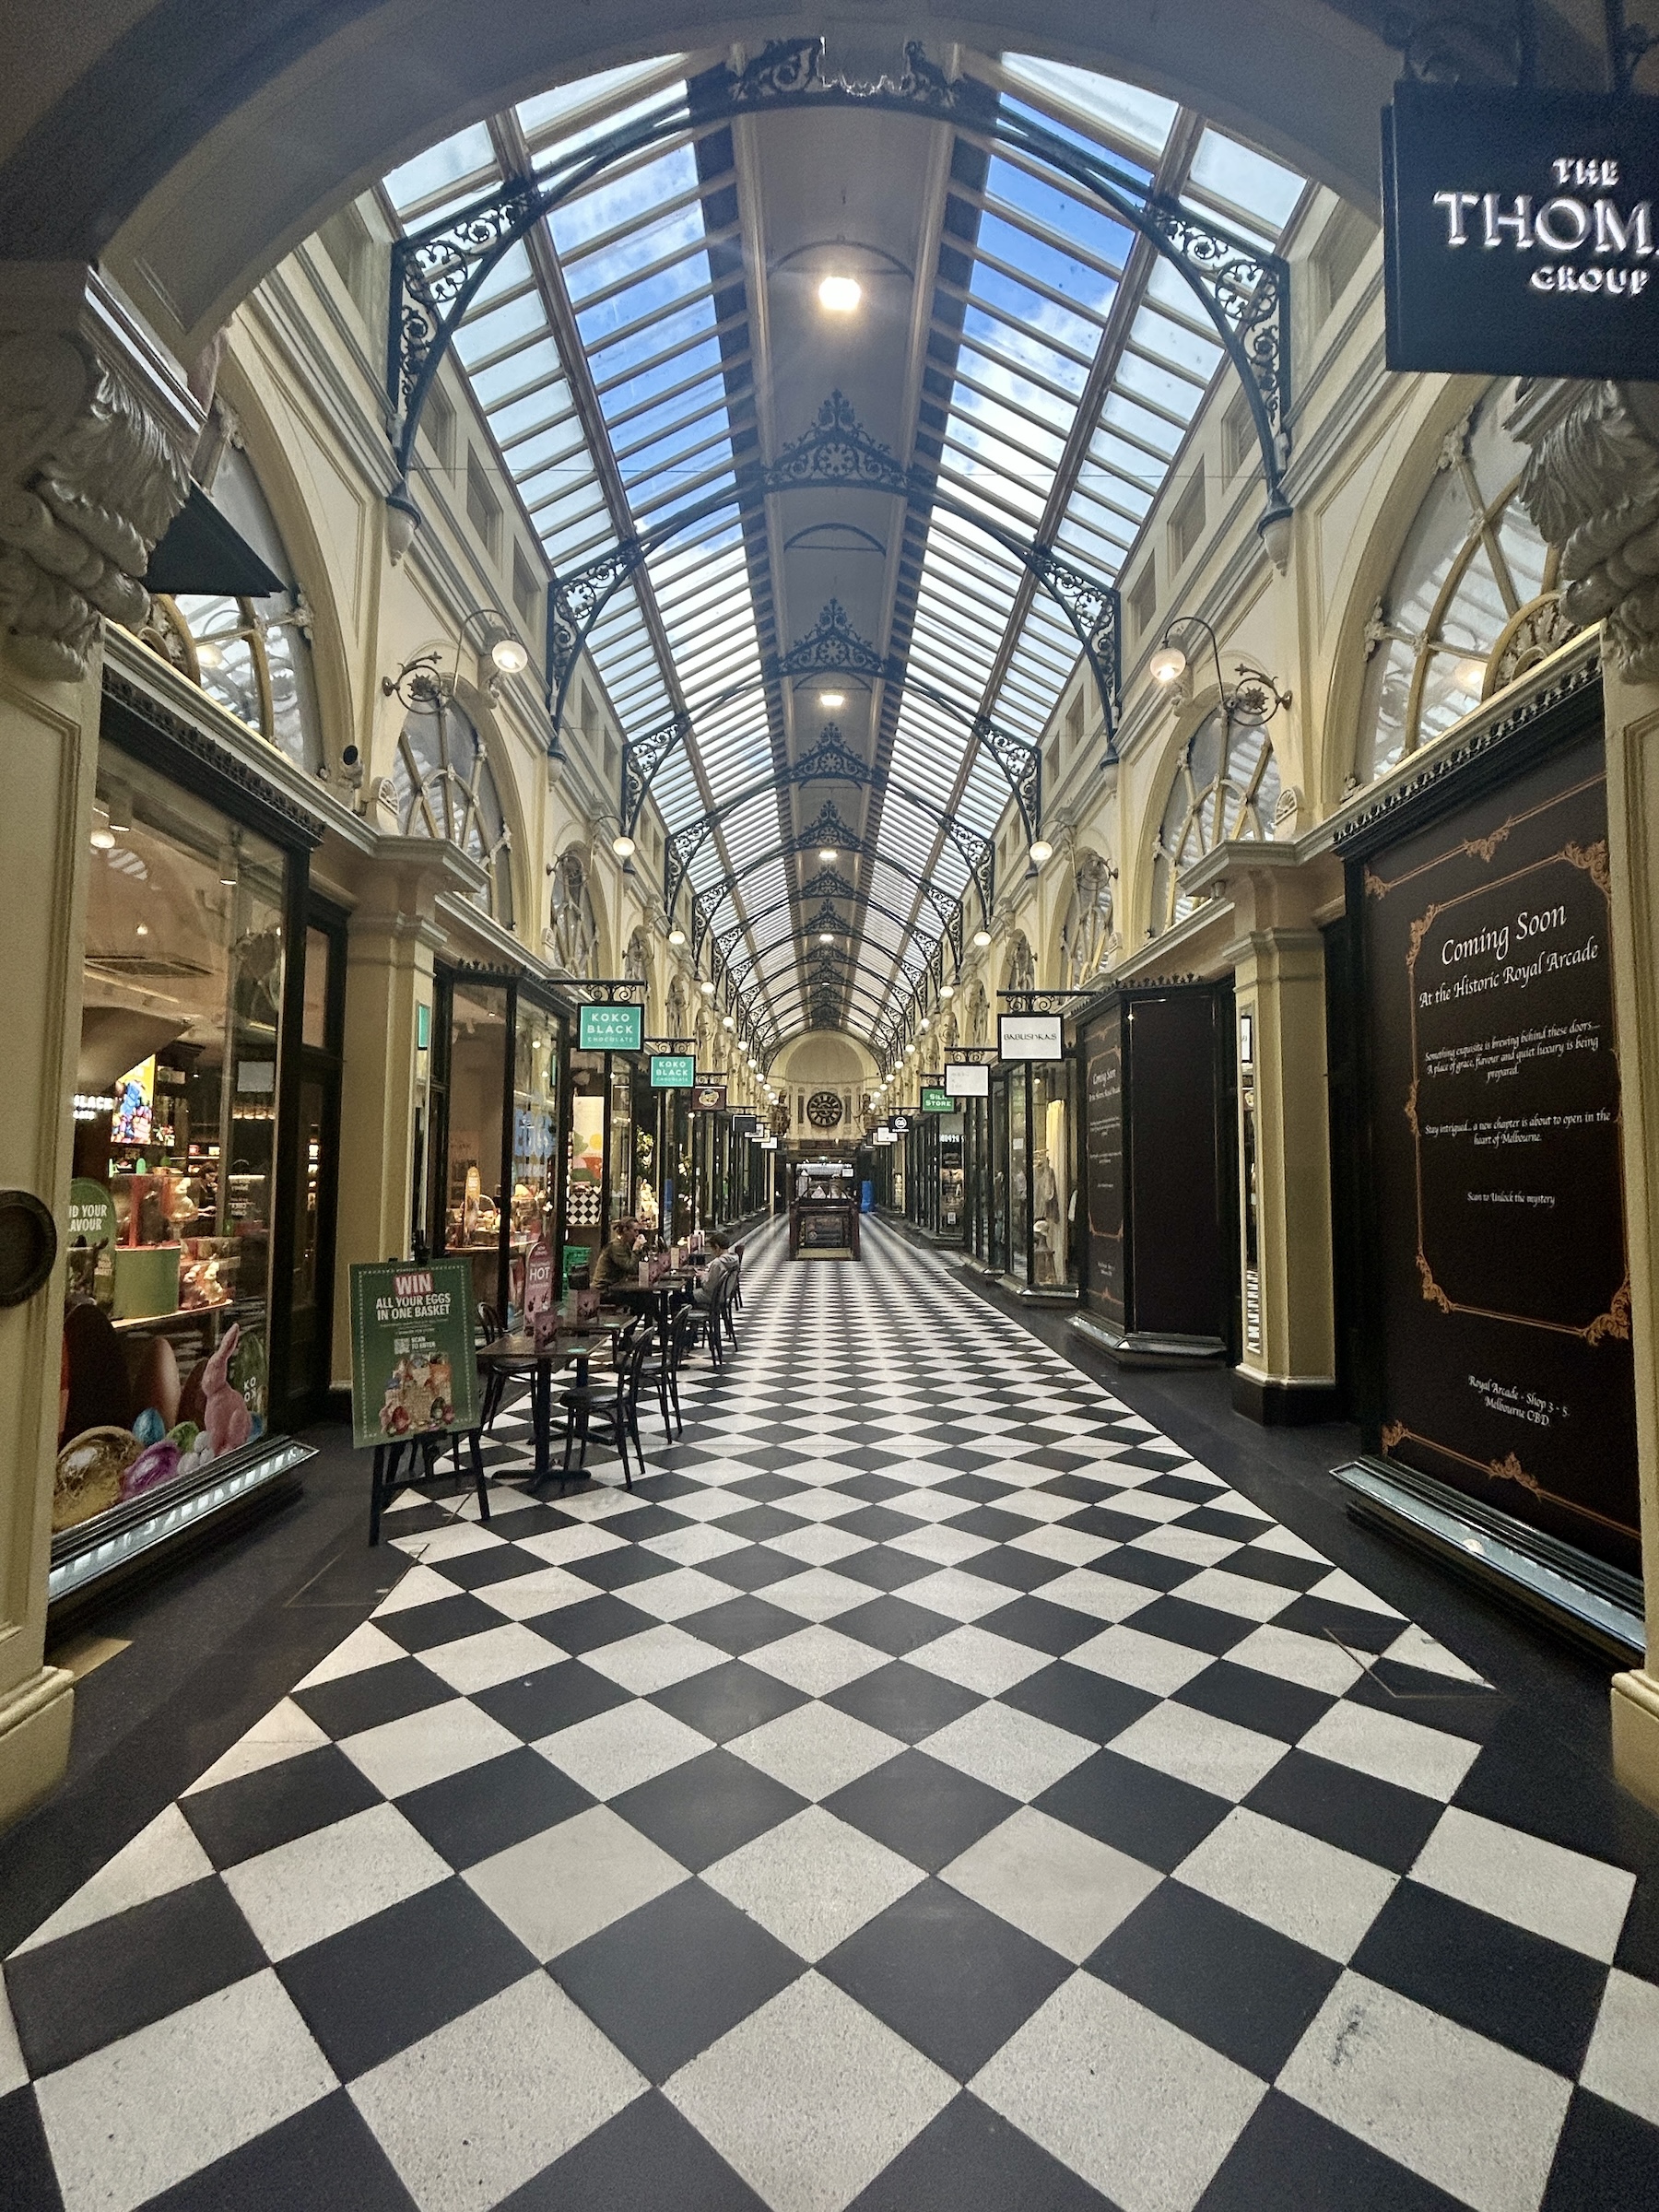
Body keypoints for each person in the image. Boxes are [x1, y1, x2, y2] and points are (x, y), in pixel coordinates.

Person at [592, 1218, 644, 1289]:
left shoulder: (625, 1244)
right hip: (604, 1288)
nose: (637, 1234)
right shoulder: (616, 1246)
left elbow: (636, 1268)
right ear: (625, 1230)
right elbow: (631, 1268)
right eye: (635, 1231)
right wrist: (635, 1250)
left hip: (615, 1285)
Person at [692, 1234, 738, 1312]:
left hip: (712, 1297)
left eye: (713, 1249)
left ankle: (678, 1323)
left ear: (717, 1247)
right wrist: (706, 1275)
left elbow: (708, 1287)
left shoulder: (717, 1263)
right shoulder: (734, 1259)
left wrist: (702, 1277)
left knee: (676, 1298)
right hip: (723, 1295)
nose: (713, 1252)